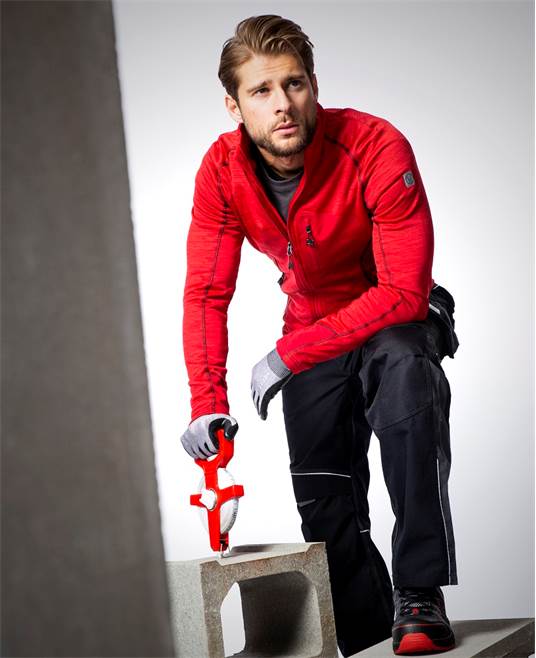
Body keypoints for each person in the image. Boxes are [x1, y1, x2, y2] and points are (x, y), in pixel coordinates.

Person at [180, 14, 460, 657]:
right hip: (311, 324)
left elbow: (402, 293)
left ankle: (419, 595)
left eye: (294, 84)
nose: (283, 103)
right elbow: (206, 293)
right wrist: (206, 404)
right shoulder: (221, 171)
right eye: (261, 90)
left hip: (396, 317)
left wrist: (287, 354)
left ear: (313, 85)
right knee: (325, 499)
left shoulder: (376, 145)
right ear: (234, 106)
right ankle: (367, 635)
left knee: (405, 375)